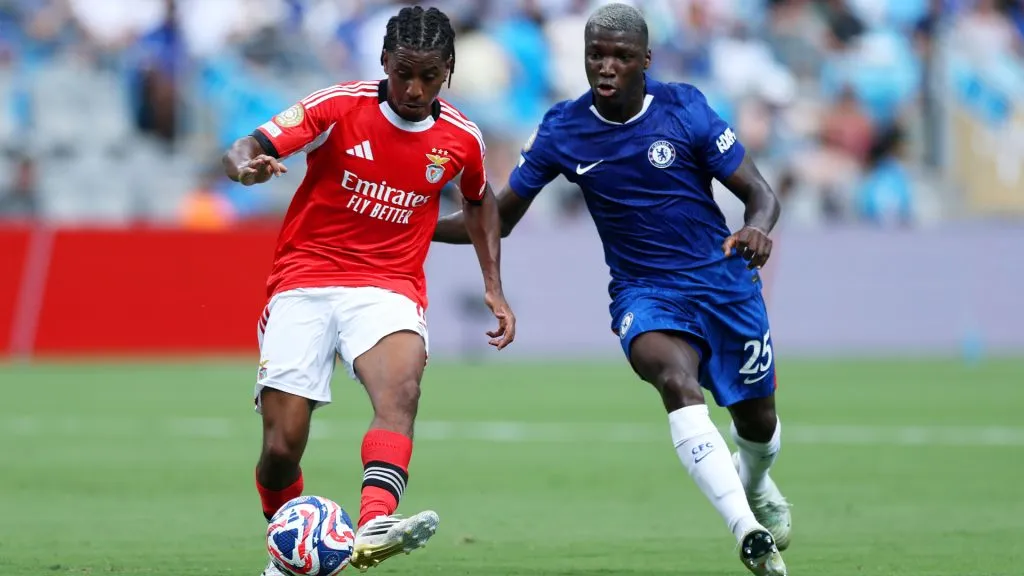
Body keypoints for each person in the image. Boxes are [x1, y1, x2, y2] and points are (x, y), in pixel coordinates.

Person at [432, 4, 789, 575]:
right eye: (596, 54)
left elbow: (762, 195)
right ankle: (747, 531)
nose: (606, 66)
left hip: (723, 286)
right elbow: (497, 217)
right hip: (643, 293)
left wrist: (756, 228)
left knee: (759, 425)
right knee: (675, 379)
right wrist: (407, 219)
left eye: (621, 56)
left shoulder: (685, 109)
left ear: (645, 60)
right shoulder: (564, 129)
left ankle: (758, 483)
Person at [222, 6, 516, 575]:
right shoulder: (338, 106)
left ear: (449, 70)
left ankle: (375, 520)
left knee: (400, 392)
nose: (414, 87)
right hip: (304, 280)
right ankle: (289, 556)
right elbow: (245, 145)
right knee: (282, 449)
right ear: (383, 61)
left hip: (388, 287)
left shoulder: (460, 137)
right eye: (404, 71)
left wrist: (493, 287)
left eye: (429, 76)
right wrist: (245, 169)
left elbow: (480, 202)